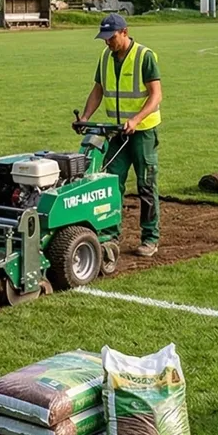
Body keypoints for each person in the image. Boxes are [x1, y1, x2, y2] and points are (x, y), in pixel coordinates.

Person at [77, 13, 162, 257]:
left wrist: (137, 119)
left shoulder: (144, 56)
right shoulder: (105, 57)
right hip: (116, 133)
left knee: (146, 184)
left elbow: (156, 95)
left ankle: (150, 238)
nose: (107, 43)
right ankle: (110, 235)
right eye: (104, 38)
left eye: (111, 37)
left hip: (143, 133)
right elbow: (98, 89)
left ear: (124, 32)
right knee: (111, 184)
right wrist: (85, 117)